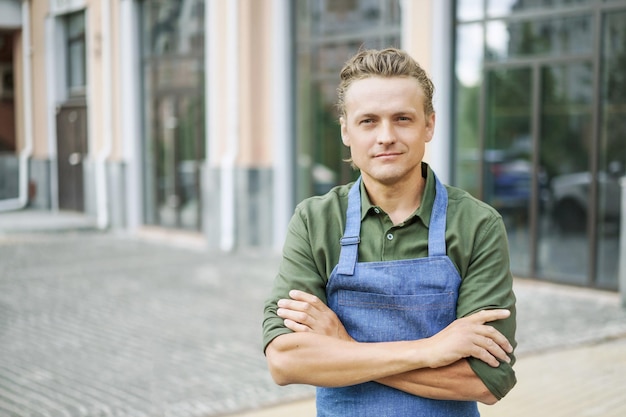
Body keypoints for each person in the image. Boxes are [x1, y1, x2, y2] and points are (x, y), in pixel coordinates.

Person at [262, 47, 516, 417]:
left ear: (428, 124)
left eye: (402, 118)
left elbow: (485, 381)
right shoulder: (315, 221)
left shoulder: (477, 225)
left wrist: (343, 346)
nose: (386, 136)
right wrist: (429, 350)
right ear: (346, 130)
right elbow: (285, 362)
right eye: (368, 121)